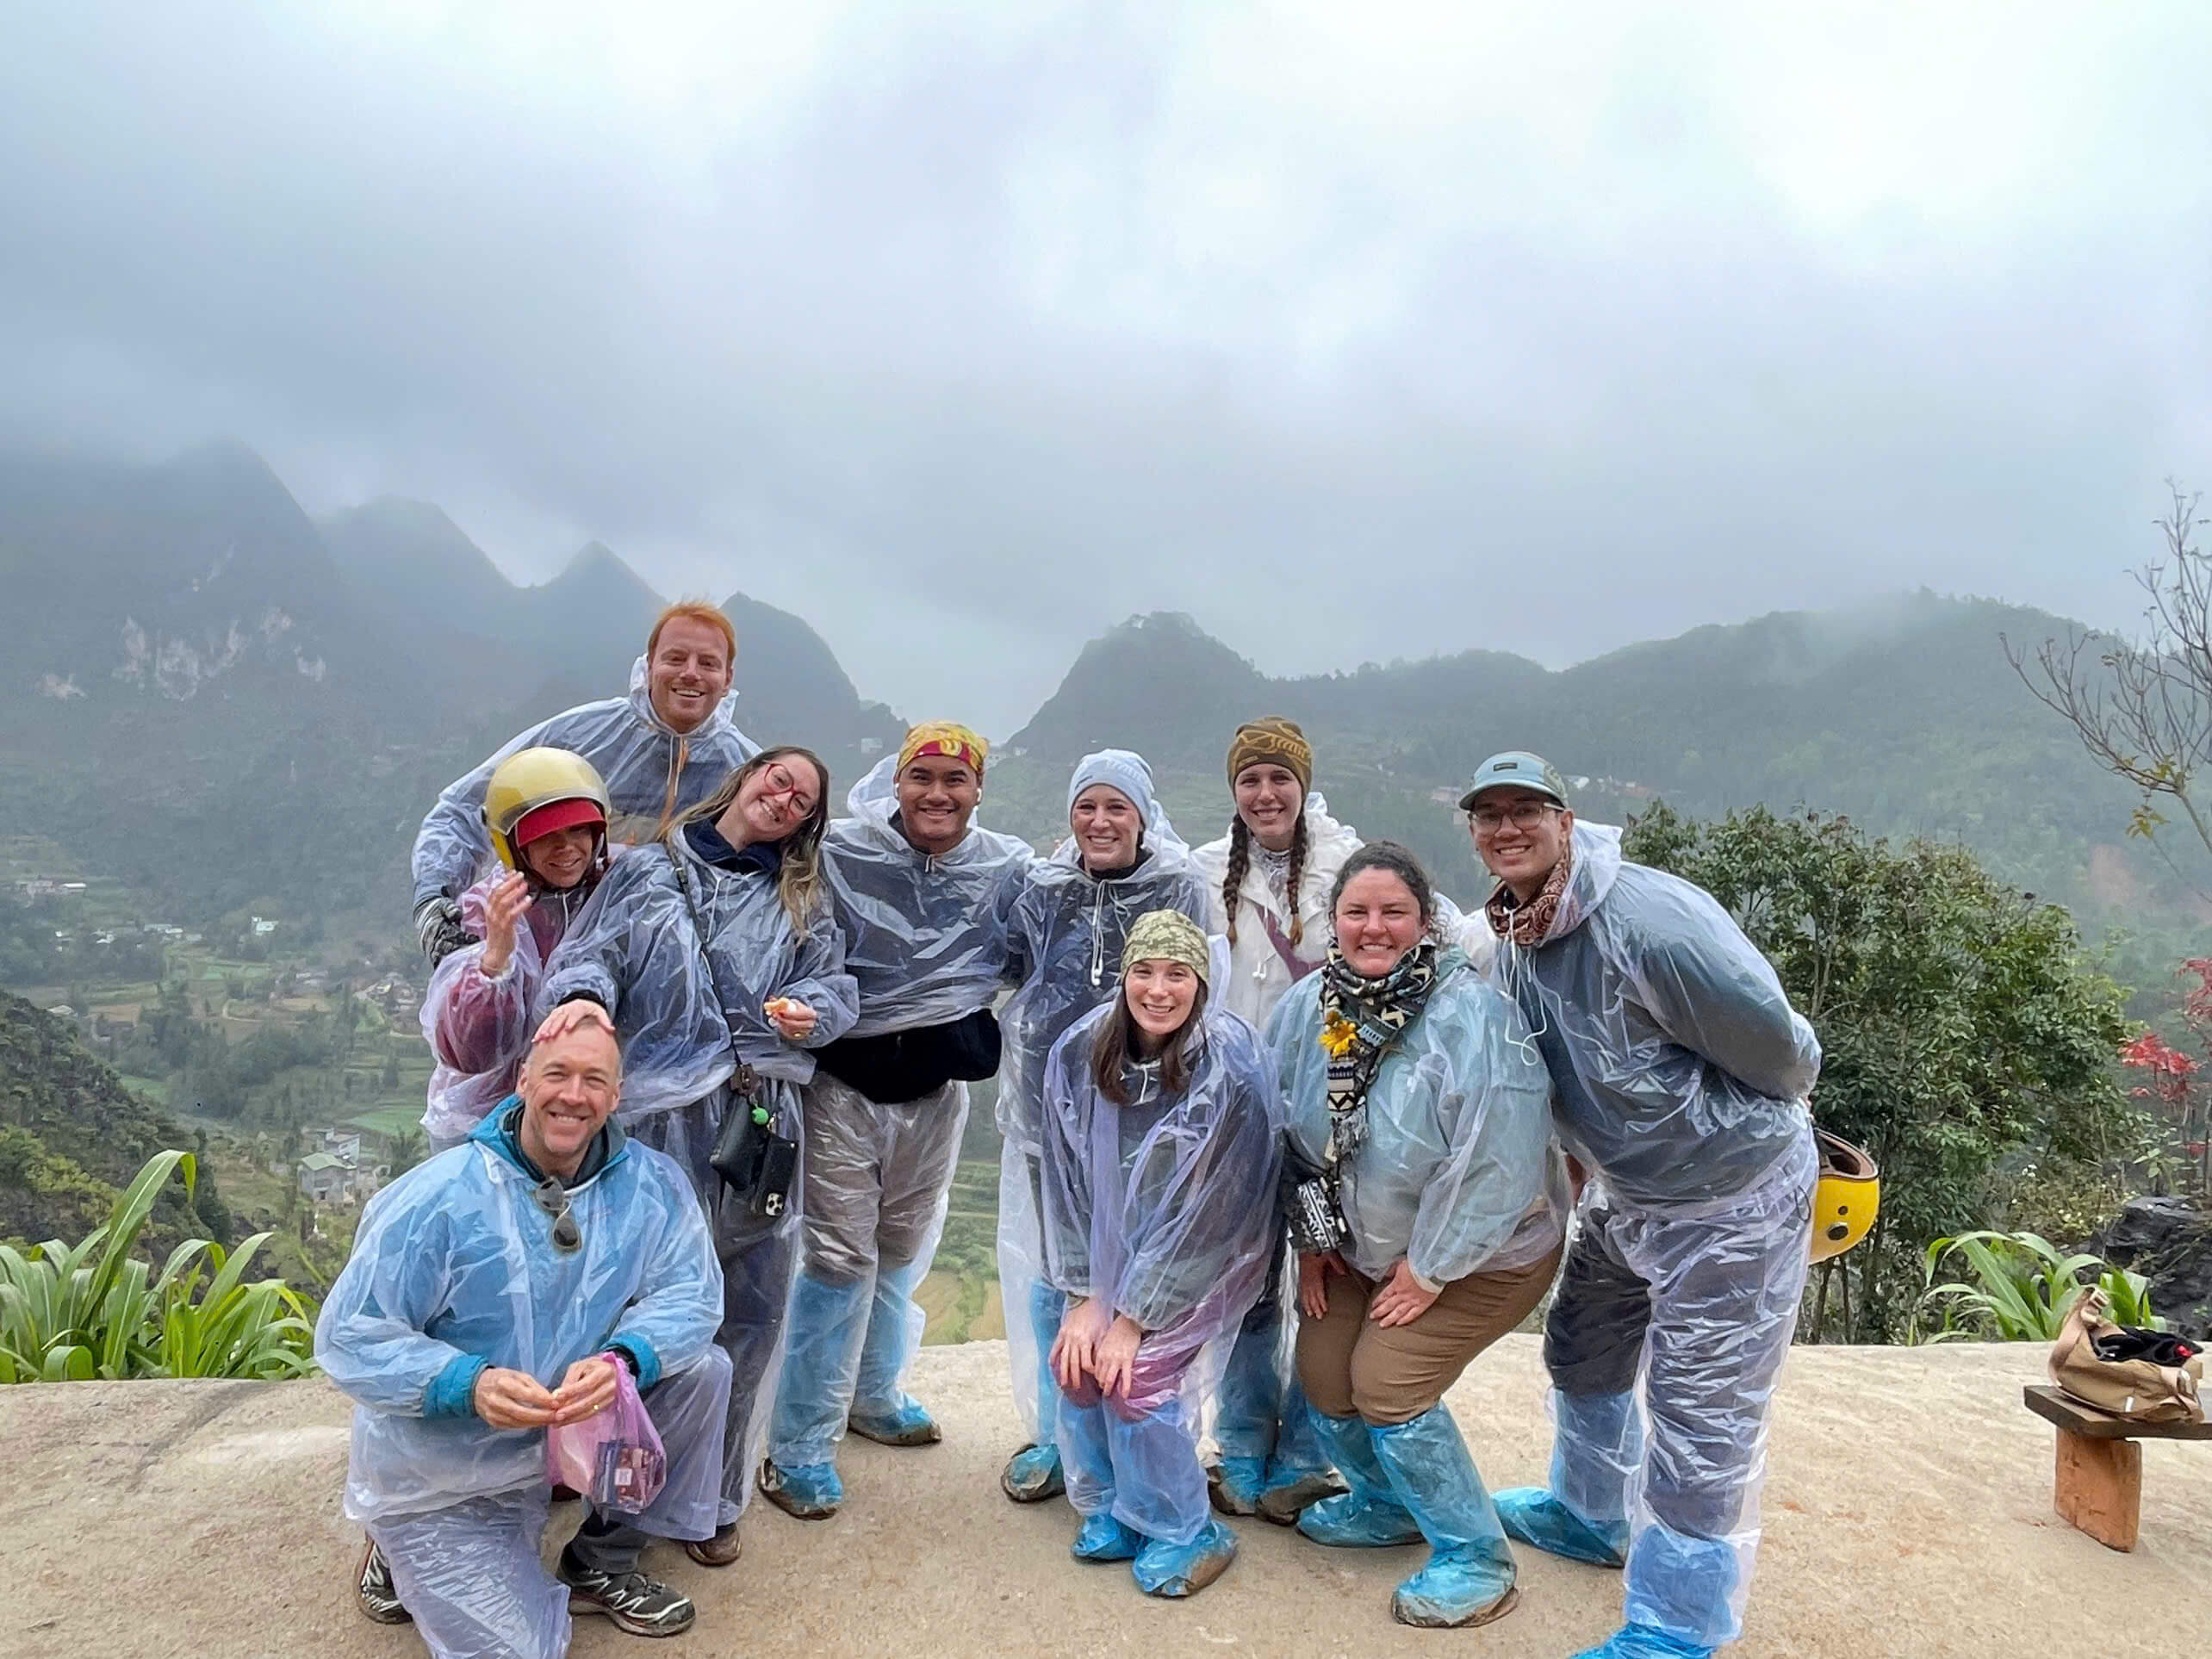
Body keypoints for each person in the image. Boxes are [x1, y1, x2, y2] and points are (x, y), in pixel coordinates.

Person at [1466, 751, 1821, 1659]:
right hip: (1627, 1192)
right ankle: (1588, 1512)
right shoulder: (1516, 930)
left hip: (1728, 1197)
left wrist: (1698, 1131)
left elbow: (1782, 1053)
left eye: (1526, 810)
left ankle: (1678, 1622)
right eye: (1489, 813)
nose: (1507, 827)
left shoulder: (1647, 920)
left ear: (1566, 819)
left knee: (1702, 1412)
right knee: (1583, 1343)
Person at [319, 1016, 731, 1656]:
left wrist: (625, 1359)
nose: (574, 1095)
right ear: (521, 1082)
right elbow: (351, 1333)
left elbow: (691, 1295)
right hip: (452, 1460)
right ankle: (397, 1545)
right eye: (557, 1075)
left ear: (616, 1096)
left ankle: (601, 1558)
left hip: (569, 1428)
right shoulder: (438, 1196)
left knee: (701, 1369)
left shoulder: (651, 1186)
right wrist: (468, 1383)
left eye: (594, 1080)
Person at [537, 744, 857, 1568]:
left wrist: (807, 1010)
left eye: (804, 799)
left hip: (755, 1125)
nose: (785, 798)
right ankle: (612, 1494)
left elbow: (837, 986)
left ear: (807, 824)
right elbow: (588, 956)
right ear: (744, 780)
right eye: (778, 778)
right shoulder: (648, 873)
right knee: (630, 1316)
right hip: (653, 1135)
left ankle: (710, 1498)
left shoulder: (803, 899)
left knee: (750, 1315)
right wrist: (585, 1007)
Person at [1265, 840, 1560, 1630]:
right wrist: (1317, 1243)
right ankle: (1388, 1503)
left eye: (1393, 912)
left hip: (1487, 1253)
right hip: (1364, 1245)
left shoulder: (1474, 1018)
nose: (1374, 928)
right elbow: (1292, 1143)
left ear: (1424, 921)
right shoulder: (1306, 1010)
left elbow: (1496, 1166)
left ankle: (1476, 1555)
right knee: (1326, 1373)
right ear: (1334, 921)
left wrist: (1429, 1269)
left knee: (1387, 1385)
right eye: (1357, 912)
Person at [760, 722, 1034, 1519]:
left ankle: (874, 1394)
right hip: (845, 1086)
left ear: (978, 790)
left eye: (955, 781)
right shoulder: (845, 852)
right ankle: (799, 1446)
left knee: (901, 1248)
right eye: (923, 779)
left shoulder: (1005, 868)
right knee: (838, 1259)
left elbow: (1041, 941)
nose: (938, 795)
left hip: (937, 1092)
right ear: (898, 784)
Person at [995, 749, 1214, 1506]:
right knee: (1058, 1268)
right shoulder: (1041, 887)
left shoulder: (1178, 887)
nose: (1100, 821)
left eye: (1117, 806)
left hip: (1147, 1116)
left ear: (1144, 815)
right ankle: (1060, 1436)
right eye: (1087, 806)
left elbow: (1193, 994)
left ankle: (1144, 1443)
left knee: (1140, 1273)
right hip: (1045, 1109)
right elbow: (1003, 971)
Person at [1042, 909, 1279, 1599]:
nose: (1158, 989)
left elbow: (1216, 1217)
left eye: (1178, 973)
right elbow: (1064, 1179)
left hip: (1210, 1262)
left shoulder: (1230, 1068)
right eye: (1143, 971)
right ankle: (1119, 1506)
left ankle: (1186, 1527)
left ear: (1201, 983)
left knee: (1134, 1376)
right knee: (1077, 1364)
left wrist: (1135, 1317)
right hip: (1113, 1259)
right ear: (1123, 979)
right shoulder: (1084, 1051)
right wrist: (1088, 1296)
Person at [1188, 717, 1362, 1520]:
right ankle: (1244, 1443)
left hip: (1337, 1112)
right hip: (1238, 1107)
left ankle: (1309, 1451)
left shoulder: (1347, 867)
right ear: (1234, 792)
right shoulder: (1201, 873)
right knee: (1251, 1285)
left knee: (1333, 1280)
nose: (1264, 793)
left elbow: (1427, 936)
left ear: (1302, 784)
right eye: (1249, 780)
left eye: (1278, 778)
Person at [412, 602, 756, 963]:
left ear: (728, 677)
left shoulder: (751, 776)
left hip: (671, 972)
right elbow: (465, 808)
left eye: (708, 663)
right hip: (546, 957)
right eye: (675, 658)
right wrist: (433, 901)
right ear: (649, 664)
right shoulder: (584, 734)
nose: (691, 673)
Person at [420, 747, 616, 1153]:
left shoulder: (614, 893)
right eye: (546, 836)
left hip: (575, 1113)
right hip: (485, 1125)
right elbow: (470, 1054)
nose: (567, 848)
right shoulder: (488, 910)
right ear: (512, 846)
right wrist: (495, 960)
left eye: (579, 831)